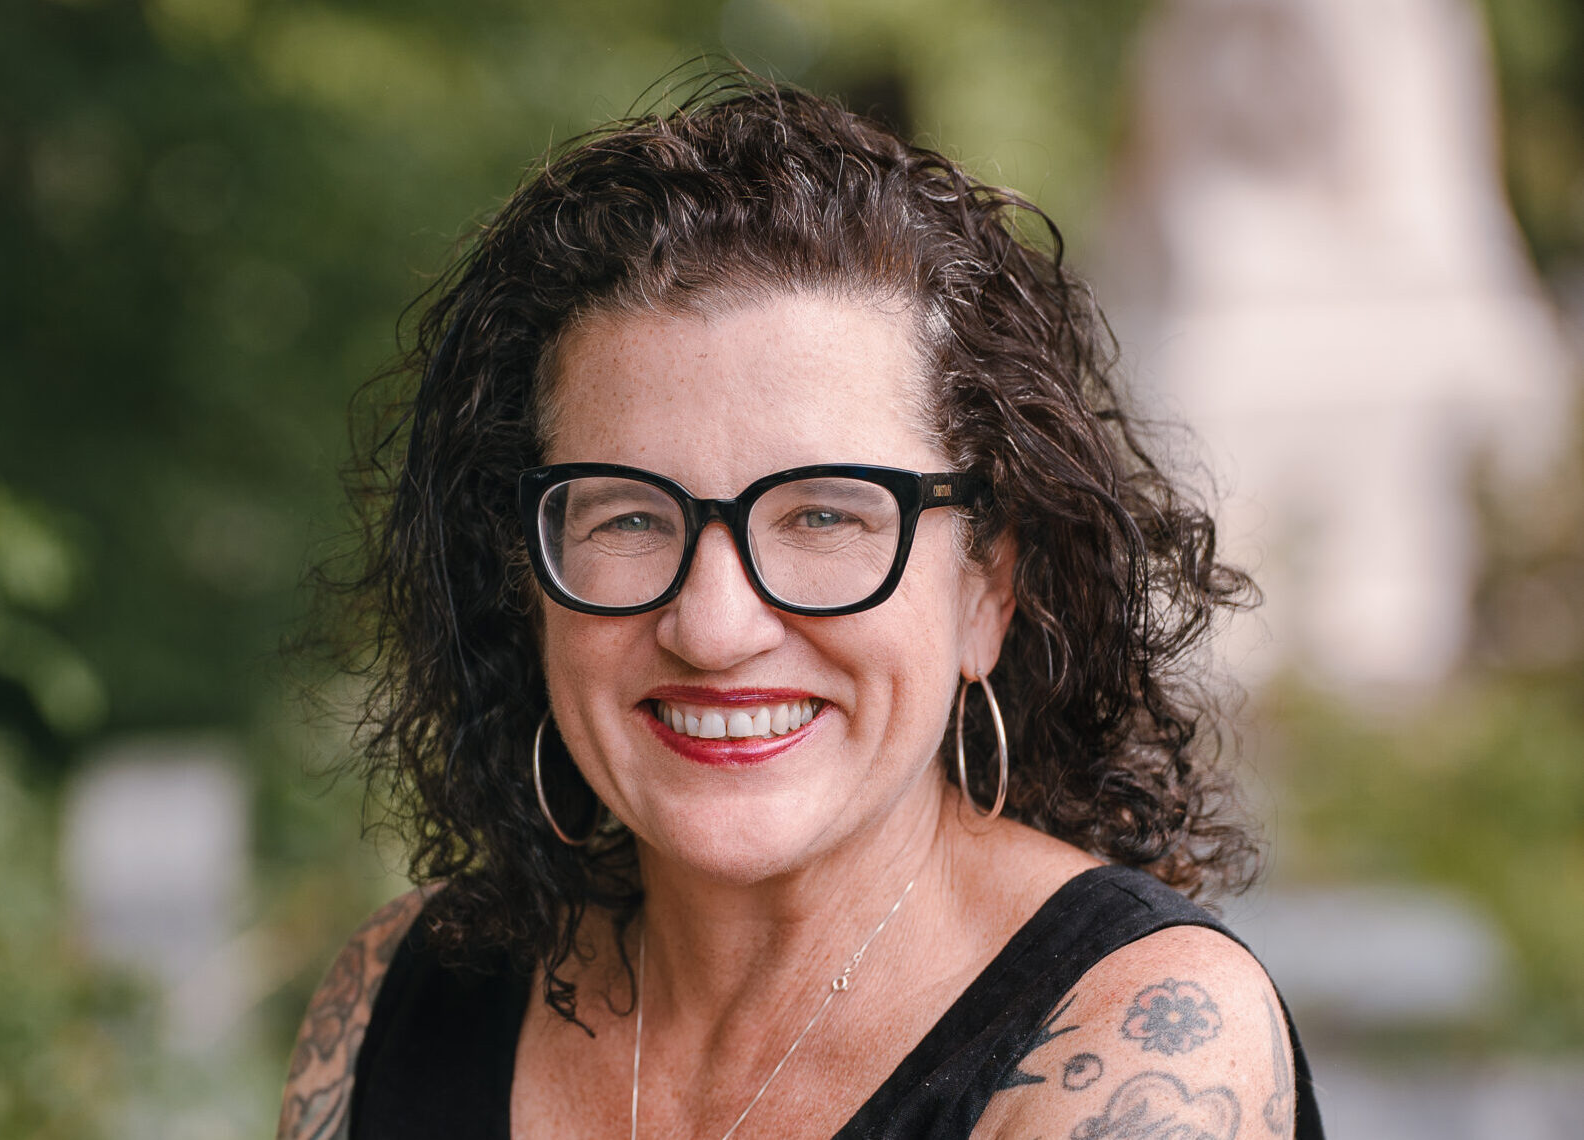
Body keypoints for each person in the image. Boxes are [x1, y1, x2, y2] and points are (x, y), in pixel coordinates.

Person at [277, 75, 1324, 1140]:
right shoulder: (392, 999)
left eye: (824, 518)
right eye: (628, 519)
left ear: (987, 586)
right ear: (521, 573)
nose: (713, 627)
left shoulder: (1142, 1039)